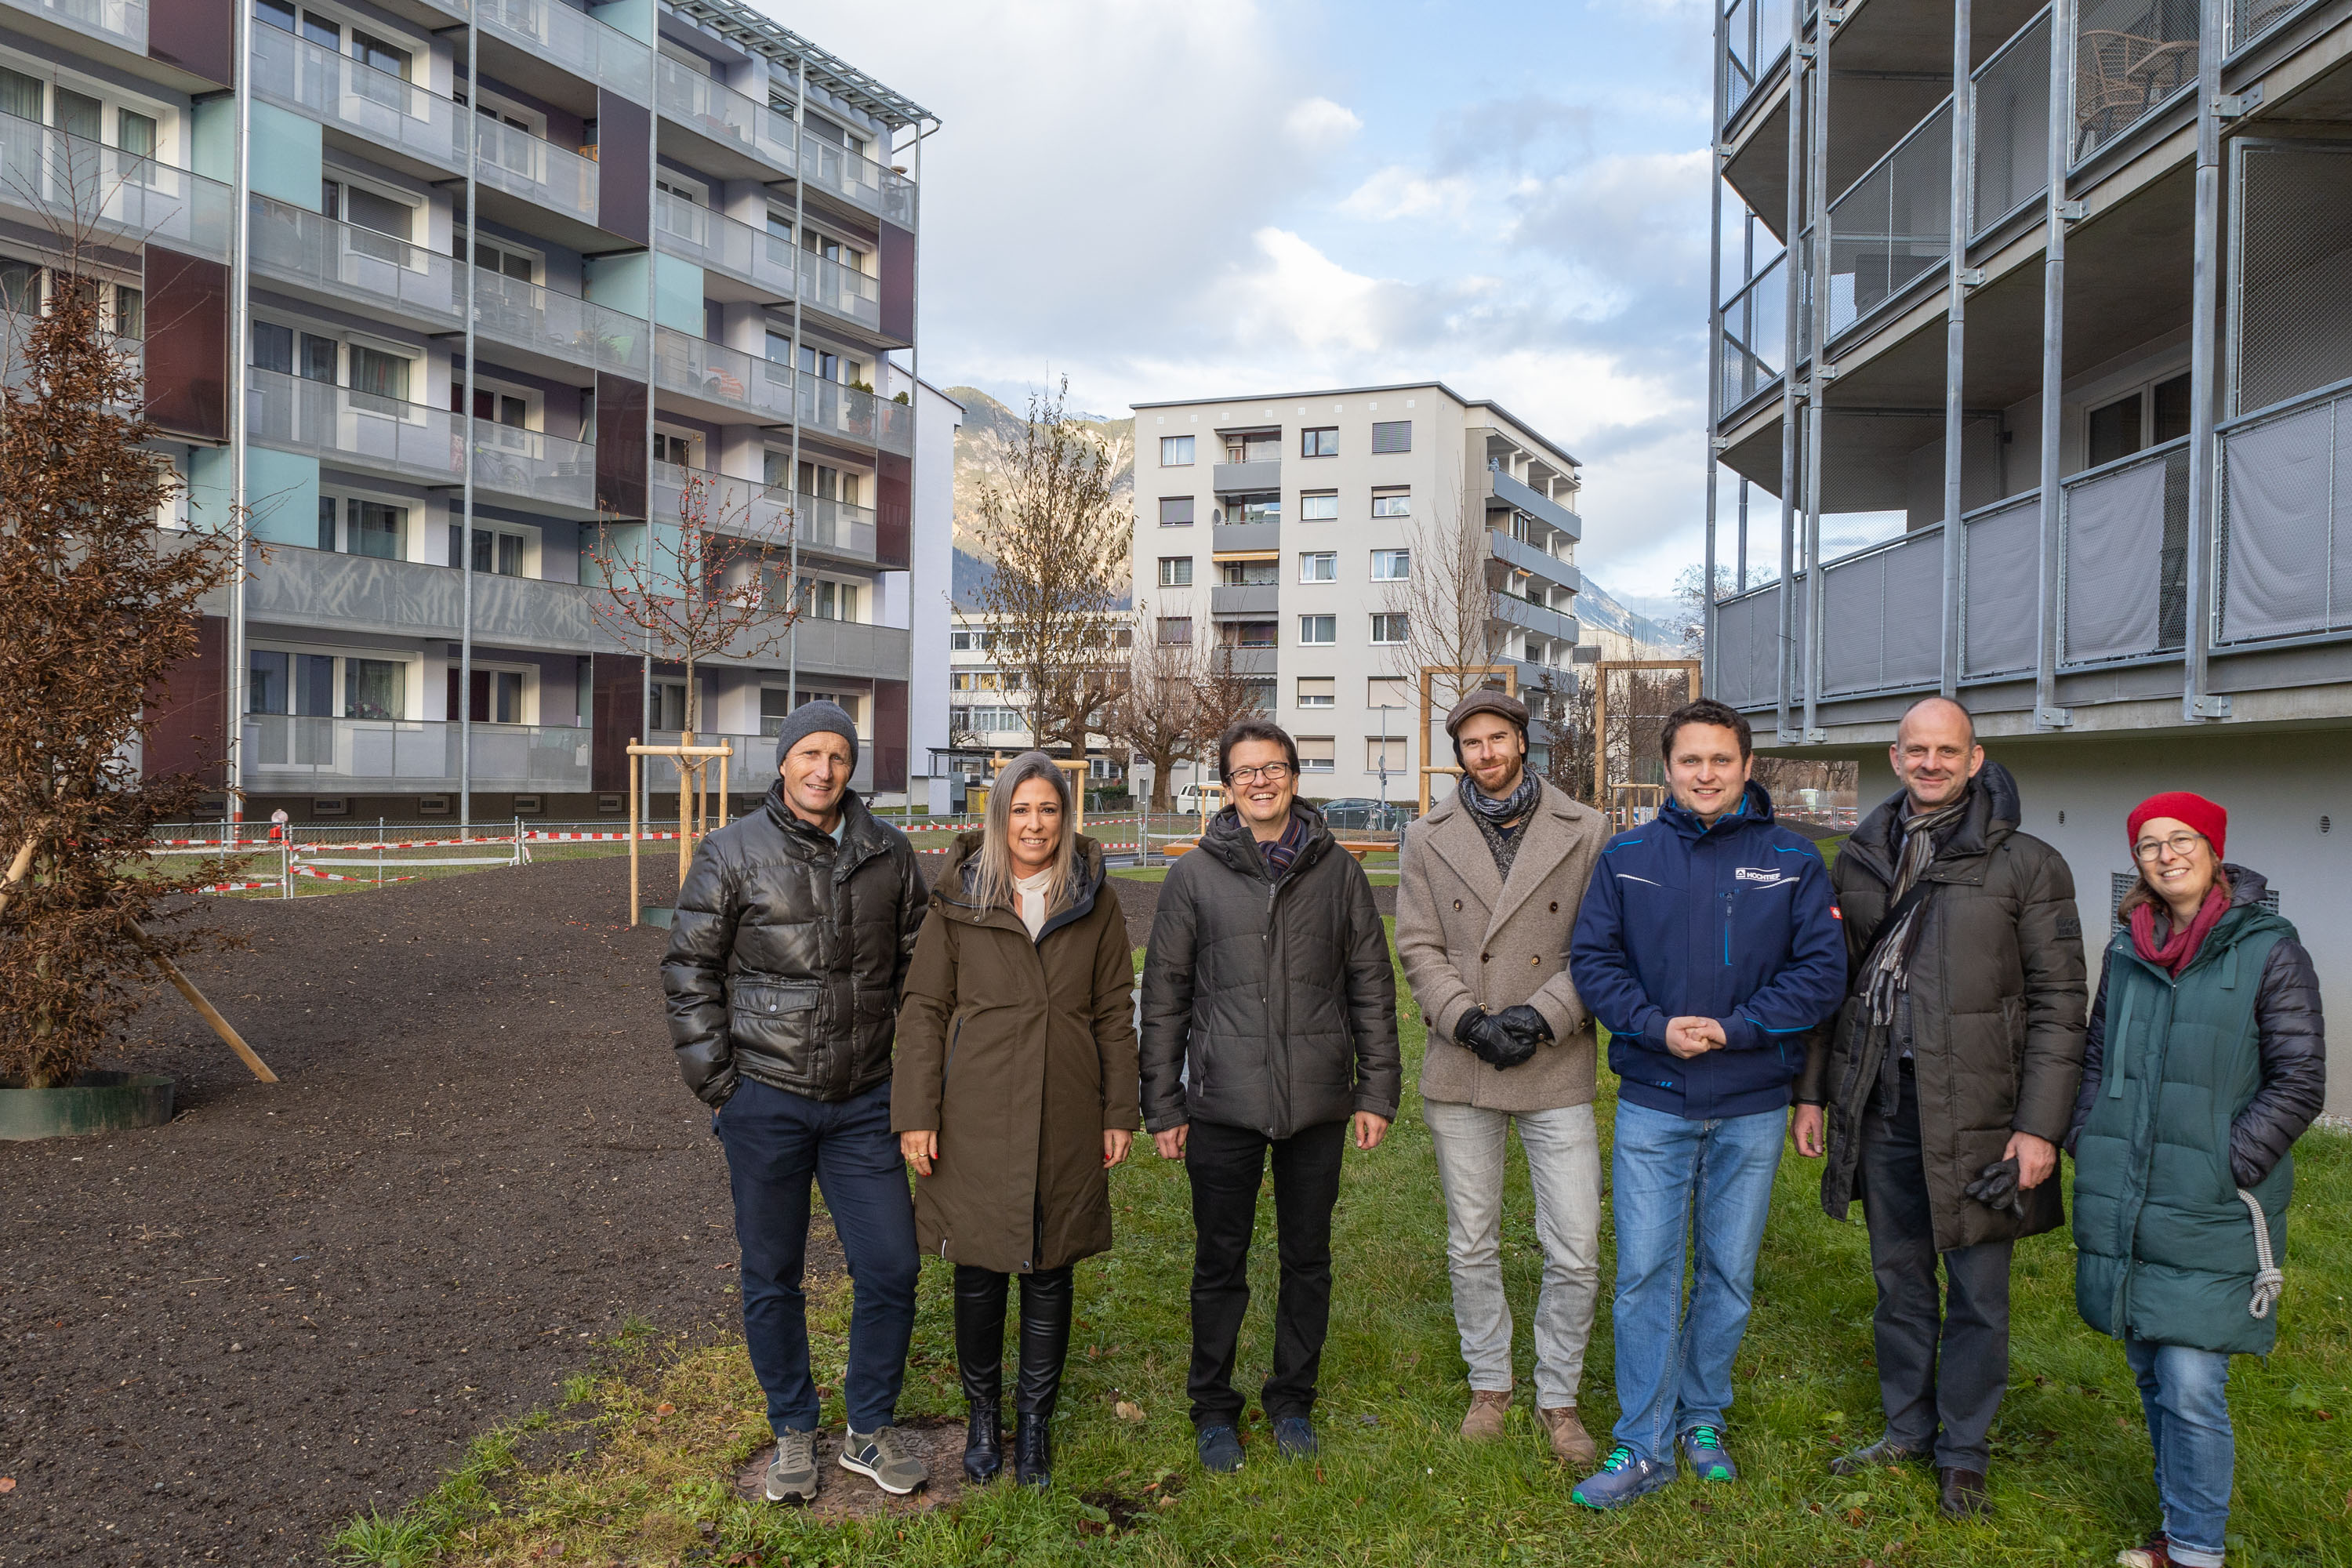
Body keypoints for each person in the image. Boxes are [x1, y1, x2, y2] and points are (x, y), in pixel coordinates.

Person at [1793, 696, 2085, 1520]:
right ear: (1895, 756)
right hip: (1884, 1098)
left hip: (1987, 1112)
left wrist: (2040, 1127)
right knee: (1899, 1279)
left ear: (1976, 757)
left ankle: (1964, 1450)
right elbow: (1835, 991)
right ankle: (1906, 1427)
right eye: (1917, 749)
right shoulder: (1859, 856)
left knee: (1980, 1290)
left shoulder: (2029, 863)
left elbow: (2062, 1003)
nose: (1931, 763)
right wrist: (1812, 1090)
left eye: (1946, 750)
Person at [1566, 698, 1843, 1509]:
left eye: (1722, 759)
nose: (1707, 774)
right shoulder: (1629, 856)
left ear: (1748, 766)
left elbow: (1821, 974)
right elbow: (1595, 960)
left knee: (1727, 1271)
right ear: (1669, 768)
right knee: (1647, 1270)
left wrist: (1736, 1028)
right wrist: (1655, 1026)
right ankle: (1641, 1441)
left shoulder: (1794, 857)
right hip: (1655, 1098)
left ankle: (1704, 1418)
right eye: (1691, 760)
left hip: (1752, 1101)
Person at [662, 700, 930, 1504]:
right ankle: (793, 1427)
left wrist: (910, 1078)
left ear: (853, 766)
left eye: (838, 755)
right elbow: (689, 973)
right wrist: (723, 1085)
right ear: (782, 761)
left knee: (891, 1263)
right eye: (809, 753)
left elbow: (921, 970)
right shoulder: (730, 851)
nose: (824, 768)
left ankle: (870, 1426)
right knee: (771, 1272)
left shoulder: (889, 852)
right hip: (766, 1101)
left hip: (863, 1102)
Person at [2067, 793, 2325, 1568]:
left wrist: (2231, 1160)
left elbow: (2300, 1078)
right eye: (2149, 844)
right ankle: (2179, 1530)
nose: (2166, 853)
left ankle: (2199, 1550)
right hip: (2131, 1193)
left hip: (2212, 1200)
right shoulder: (2128, 950)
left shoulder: (2270, 946)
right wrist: (2091, 1136)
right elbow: (2095, 1058)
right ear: (2137, 862)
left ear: (2215, 851)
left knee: (2189, 1379)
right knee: (2151, 1370)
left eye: (2182, 839)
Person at [1139, 717, 1401, 1474]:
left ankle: (1292, 1399)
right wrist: (1163, 1103)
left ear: (1294, 775)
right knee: (1219, 1262)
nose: (1261, 781)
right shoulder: (1194, 876)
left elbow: (1372, 989)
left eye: (1274, 768)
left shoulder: (1338, 871)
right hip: (1221, 1102)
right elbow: (1165, 997)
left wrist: (1376, 1091)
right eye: (1245, 771)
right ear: (1227, 786)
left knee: (1306, 1259)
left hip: (1317, 1103)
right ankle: (1214, 1408)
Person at [892, 753, 1139, 1490]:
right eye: (1022, 811)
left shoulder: (1094, 899)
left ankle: (1033, 1421)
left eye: (1050, 810)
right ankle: (982, 1415)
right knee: (977, 1264)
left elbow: (1112, 1014)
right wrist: (916, 1112)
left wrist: (1118, 1110)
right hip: (974, 1106)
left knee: (1050, 1262)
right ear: (999, 817)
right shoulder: (959, 898)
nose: (1036, 825)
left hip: (1065, 1103)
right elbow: (925, 1009)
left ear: (1067, 819)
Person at [1396, 690, 1606, 1469]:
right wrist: (1470, 1020)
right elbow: (1418, 943)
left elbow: (1601, 945)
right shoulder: (1426, 834)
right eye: (1472, 742)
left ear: (1524, 741)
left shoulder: (1587, 829)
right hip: (1465, 1061)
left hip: (1553, 1059)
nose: (1487, 753)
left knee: (1576, 1245)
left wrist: (1541, 1017)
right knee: (1471, 1239)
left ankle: (1559, 1393)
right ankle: (1491, 1384)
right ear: (1459, 753)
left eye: (1499, 738)